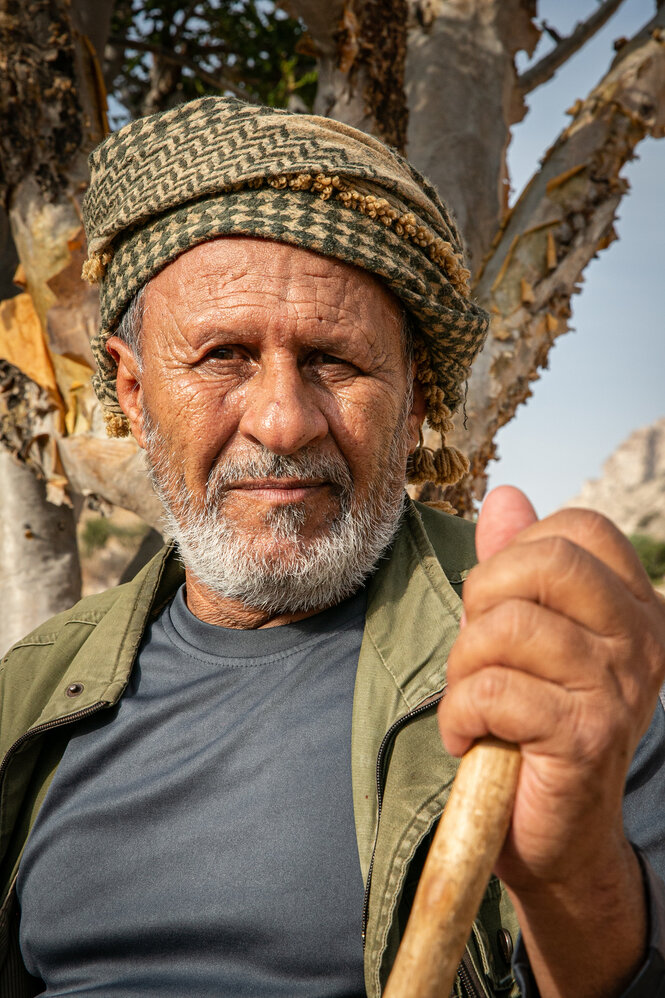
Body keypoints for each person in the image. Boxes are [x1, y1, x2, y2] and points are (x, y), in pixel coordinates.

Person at [1, 95, 664, 998]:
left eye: (334, 360)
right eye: (224, 356)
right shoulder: (34, 689)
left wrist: (568, 876)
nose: (281, 422)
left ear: (417, 394)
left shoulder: (558, 668)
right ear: (133, 387)